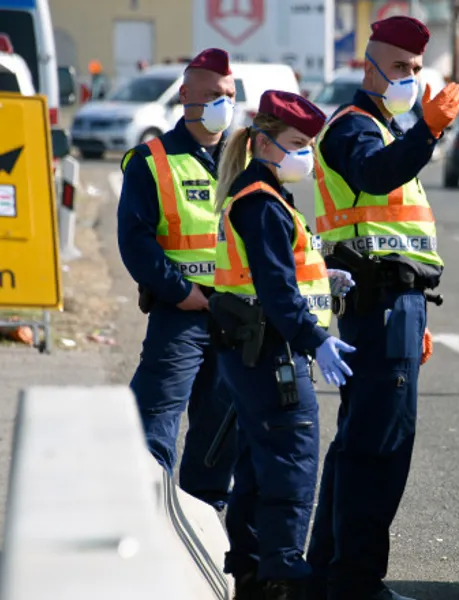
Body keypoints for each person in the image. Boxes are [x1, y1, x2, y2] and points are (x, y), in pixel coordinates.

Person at [308, 15, 459, 600]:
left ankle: (327, 571)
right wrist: (427, 131)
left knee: (358, 444)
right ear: (368, 67)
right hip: (379, 305)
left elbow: (402, 236)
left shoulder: (386, 132)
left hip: (396, 304)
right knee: (381, 447)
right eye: (400, 68)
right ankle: (355, 580)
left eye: (417, 70)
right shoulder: (355, 129)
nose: (410, 79)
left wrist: (415, 309)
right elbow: (375, 178)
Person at [210, 89, 356, 600]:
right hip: (273, 355)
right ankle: (283, 575)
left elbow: (277, 274)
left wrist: (323, 277)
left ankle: (251, 569)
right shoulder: (262, 203)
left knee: (258, 464)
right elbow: (275, 291)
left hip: (256, 352)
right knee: (292, 463)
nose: (307, 155)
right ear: (265, 143)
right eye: (298, 143)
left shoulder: (262, 196)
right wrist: (318, 341)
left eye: (310, 144)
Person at [116, 48, 238, 509]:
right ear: (185, 96)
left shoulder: (244, 161)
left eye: (228, 95)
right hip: (181, 312)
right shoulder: (151, 160)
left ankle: (204, 520)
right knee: (155, 419)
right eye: (210, 95)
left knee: (220, 427)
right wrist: (180, 291)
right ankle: (148, 515)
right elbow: (136, 241)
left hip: (232, 313)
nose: (221, 105)